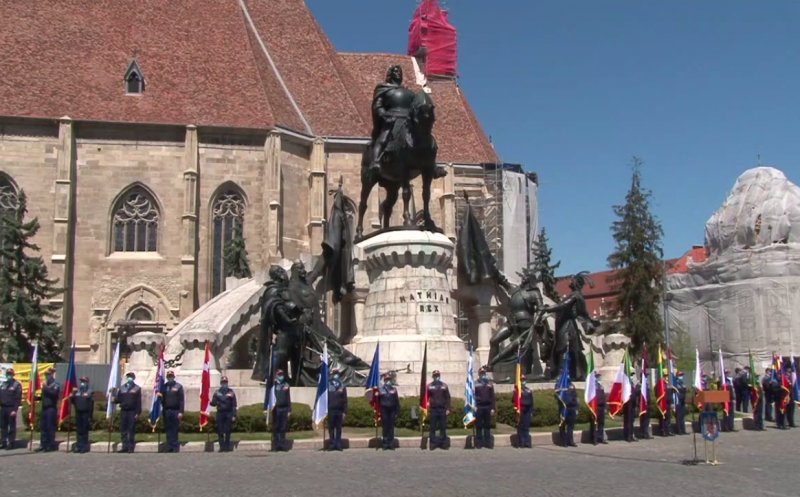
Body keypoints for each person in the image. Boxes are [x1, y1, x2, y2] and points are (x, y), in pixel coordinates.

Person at [113, 371, 142, 453]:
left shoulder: (137, 388)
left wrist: (138, 413)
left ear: (134, 378)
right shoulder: (122, 388)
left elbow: (138, 402)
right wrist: (113, 399)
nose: (130, 378)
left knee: (131, 429)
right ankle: (124, 446)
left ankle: (130, 447)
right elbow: (119, 399)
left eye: (131, 377)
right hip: (124, 411)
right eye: (128, 377)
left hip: (132, 412)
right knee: (123, 429)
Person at [159, 370, 184, 453]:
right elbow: (162, 399)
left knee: (174, 428)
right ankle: (169, 446)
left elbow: (181, 400)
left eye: (171, 376)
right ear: (167, 377)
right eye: (168, 376)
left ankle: (175, 446)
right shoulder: (164, 387)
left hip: (175, 410)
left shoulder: (178, 386)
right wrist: (159, 397)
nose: (170, 377)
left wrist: (181, 411)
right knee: (168, 428)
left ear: (174, 377)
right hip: (166, 410)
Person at [210, 376, 237, 452]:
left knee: (228, 430)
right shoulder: (217, 392)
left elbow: (234, 405)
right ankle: (222, 446)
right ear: (221, 383)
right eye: (223, 382)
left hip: (229, 413)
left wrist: (234, 415)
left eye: (225, 382)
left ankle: (227, 446)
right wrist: (209, 402)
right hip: (220, 413)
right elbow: (214, 403)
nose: (224, 384)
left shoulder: (231, 392)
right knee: (220, 430)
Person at [37, 367, 60, 452]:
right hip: (44, 408)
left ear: (52, 375)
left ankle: (50, 445)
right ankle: (43, 444)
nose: (47, 376)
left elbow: (53, 394)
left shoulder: (55, 384)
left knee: (50, 427)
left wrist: (46, 388)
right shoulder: (45, 384)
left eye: (48, 375)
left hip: (51, 408)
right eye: (46, 375)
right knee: (43, 427)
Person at [426, 370, 451, 450]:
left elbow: (448, 398)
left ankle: (443, 443)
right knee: (432, 427)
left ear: (439, 376)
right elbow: (426, 397)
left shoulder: (444, 386)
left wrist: (448, 408)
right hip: (433, 409)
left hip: (442, 409)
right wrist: (426, 404)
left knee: (443, 427)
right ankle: (433, 444)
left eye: (437, 375)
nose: (436, 377)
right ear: (433, 377)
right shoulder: (429, 386)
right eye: (435, 375)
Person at [270, 369, 292, 452]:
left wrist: (289, 409)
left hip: (284, 408)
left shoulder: (286, 385)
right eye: (279, 375)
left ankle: (282, 445)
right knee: (276, 427)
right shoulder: (273, 385)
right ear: (276, 376)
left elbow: (288, 398)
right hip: (276, 409)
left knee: (283, 427)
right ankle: (276, 445)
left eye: (282, 374)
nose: (281, 376)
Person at [473, 366, 496, 449]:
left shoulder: (489, 384)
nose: (482, 375)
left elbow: (492, 397)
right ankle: (479, 443)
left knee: (487, 426)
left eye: (484, 373)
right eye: (481, 373)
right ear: (479, 374)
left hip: (487, 407)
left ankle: (487, 443)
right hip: (479, 407)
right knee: (478, 426)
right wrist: (473, 406)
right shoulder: (475, 384)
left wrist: (493, 408)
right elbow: (472, 396)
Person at [0, 368, 22, 450]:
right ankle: (3, 442)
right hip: (3, 408)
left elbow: (17, 399)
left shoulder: (16, 385)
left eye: (10, 374)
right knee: (3, 427)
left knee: (11, 427)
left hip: (11, 408)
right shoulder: (3, 384)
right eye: (8, 374)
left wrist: (15, 410)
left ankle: (11, 443)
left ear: (13, 375)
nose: (9, 375)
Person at [70, 376, 94, 453]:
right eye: (81, 381)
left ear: (87, 382)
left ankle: (84, 446)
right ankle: (79, 445)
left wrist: (90, 416)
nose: (82, 383)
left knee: (84, 430)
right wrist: (72, 394)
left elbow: (91, 403)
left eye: (84, 382)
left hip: (85, 413)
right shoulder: (77, 392)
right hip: (78, 412)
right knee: (79, 430)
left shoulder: (89, 391)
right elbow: (73, 402)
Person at [327, 368, 347, 451]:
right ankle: (332, 444)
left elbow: (345, 399)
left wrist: (345, 411)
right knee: (331, 428)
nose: (336, 375)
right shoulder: (328, 384)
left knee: (338, 428)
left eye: (337, 373)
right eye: (334, 373)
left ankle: (338, 444)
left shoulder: (342, 385)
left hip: (339, 410)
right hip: (331, 409)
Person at [378, 373, 399, 450]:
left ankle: (391, 443)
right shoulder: (381, 389)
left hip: (392, 410)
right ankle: (385, 443)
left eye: (389, 380)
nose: (388, 381)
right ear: (384, 380)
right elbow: (378, 402)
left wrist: (397, 411)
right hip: (384, 410)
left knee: (391, 427)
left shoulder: (394, 389)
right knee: (385, 427)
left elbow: (397, 401)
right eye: (386, 380)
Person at [558, 383, 579, 447]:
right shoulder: (561, 385)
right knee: (563, 426)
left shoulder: (572, 386)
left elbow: (576, 399)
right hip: (564, 410)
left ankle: (570, 441)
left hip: (572, 410)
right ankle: (563, 442)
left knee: (571, 427)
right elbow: (561, 399)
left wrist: (577, 408)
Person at [517, 375, 534, 448]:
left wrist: (531, 411)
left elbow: (532, 401)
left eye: (524, 380)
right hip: (521, 409)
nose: (523, 381)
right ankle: (522, 442)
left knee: (526, 427)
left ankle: (527, 442)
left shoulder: (529, 390)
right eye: (522, 380)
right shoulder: (517, 390)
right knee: (521, 426)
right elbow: (514, 400)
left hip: (527, 410)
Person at [591, 372, 607, 445]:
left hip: (601, 407)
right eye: (596, 376)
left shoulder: (600, 386)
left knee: (601, 423)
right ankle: (594, 439)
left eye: (598, 376)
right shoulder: (591, 387)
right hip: (594, 407)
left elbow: (603, 397)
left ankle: (601, 437)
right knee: (594, 423)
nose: (598, 378)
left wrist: (605, 407)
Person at [624, 376, 638, 442]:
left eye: (632, 375)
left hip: (632, 405)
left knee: (631, 421)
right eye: (631, 375)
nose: (632, 376)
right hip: (627, 406)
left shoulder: (632, 384)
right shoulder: (626, 384)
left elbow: (635, 394)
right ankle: (628, 436)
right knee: (628, 421)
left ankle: (631, 434)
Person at [638, 373, 652, 440]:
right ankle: (643, 433)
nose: (646, 378)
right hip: (642, 405)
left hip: (647, 405)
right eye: (645, 377)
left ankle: (645, 432)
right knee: (643, 420)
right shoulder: (639, 386)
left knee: (647, 420)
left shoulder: (646, 385)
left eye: (647, 377)